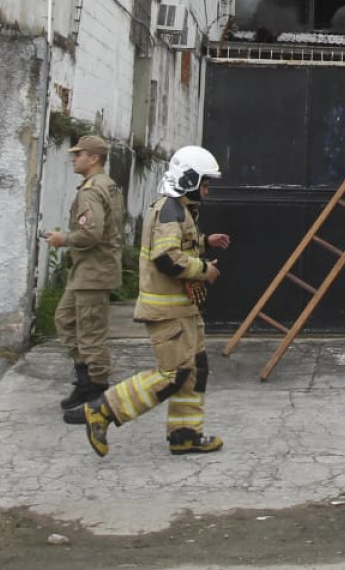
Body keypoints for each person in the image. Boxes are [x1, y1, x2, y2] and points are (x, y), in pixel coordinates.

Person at [81, 144, 230, 457]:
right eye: (204, 182)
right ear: (188, 180)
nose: (207, 190)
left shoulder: (177, 209)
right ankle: (103, 409)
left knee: (194, 369)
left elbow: (178, 243)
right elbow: (167, 258)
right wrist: (204, 271)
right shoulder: (171, 210)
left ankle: (186, 434)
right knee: (173, 374)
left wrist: (204, 242)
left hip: (181, 309)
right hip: (167, 310)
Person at [49, 135, 125, 421]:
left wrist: (62, 239)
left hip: (94, 271)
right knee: (65, 320)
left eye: (79, 154)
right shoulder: (109, 186)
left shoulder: (92, 191)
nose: (73, 158)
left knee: (91, 334)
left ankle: (96, 394)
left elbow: (91, 233)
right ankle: (84, 380)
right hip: (88, 271)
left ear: (93, 158)